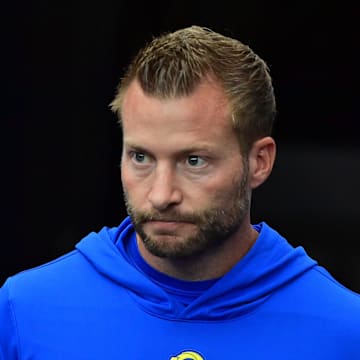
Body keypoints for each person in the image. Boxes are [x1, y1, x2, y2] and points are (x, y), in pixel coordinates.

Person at [1, 26, 359, 359]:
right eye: (141, 157)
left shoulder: (343, 332)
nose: (161, 195)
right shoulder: (25, 311)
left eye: (193, 161)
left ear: (259, 162)